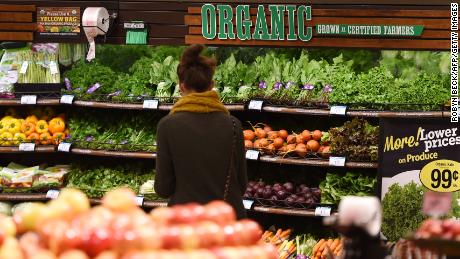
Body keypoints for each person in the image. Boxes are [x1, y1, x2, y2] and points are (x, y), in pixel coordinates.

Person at [154, 44, 248, 219]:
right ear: (212, 85)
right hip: (228, 222)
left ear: (181, 87)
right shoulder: (234, 125)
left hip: (187, 224)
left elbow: (163, 189)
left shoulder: (167, 125)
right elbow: (241, 186)